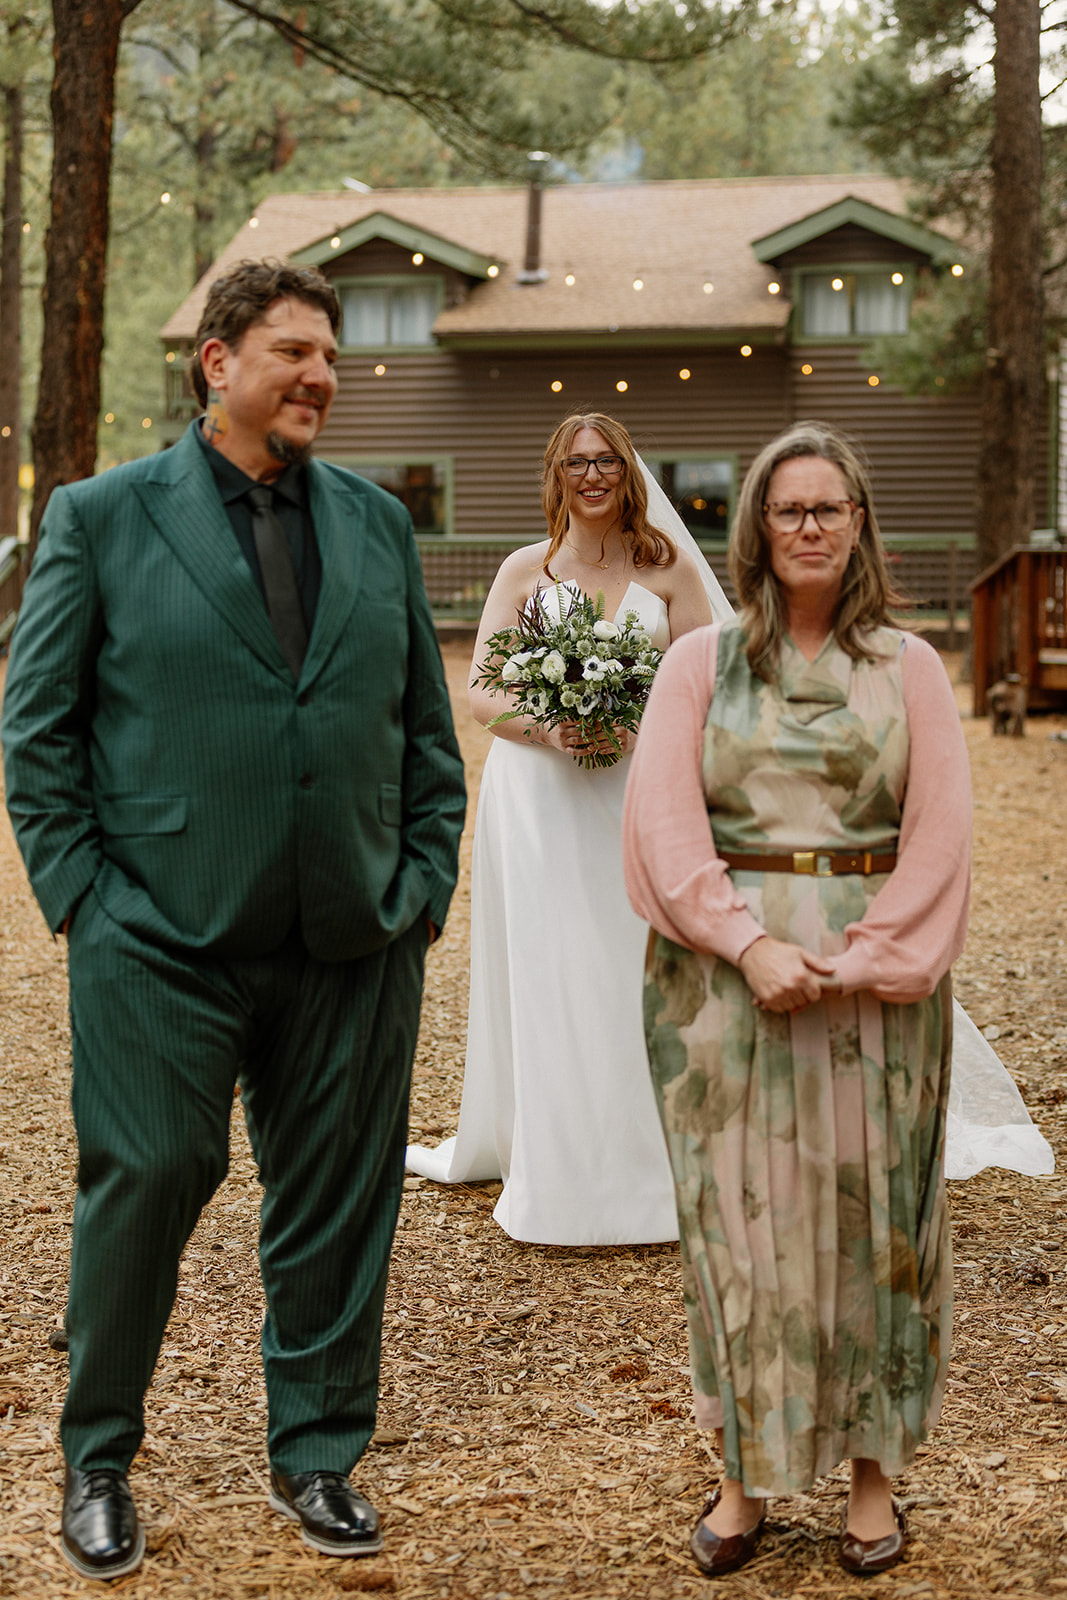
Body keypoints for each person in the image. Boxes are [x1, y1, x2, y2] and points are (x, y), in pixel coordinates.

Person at [1, 259, 466, 1581]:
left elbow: (424, 737)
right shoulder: (98, 518)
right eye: (294, 352)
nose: (322, 374)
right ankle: (97, 1455)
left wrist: (421, 881)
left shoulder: (377, 525)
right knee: (144, 1180)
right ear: (217, 363)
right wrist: (87, 900)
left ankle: (316, 1453)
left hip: (353, 938)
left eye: (330, 355)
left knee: (334, 1202)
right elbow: (36, 733)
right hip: (155, 935)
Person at [623, 420, 967, 1578]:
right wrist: (746, 942)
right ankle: (741, 1476)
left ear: (858, 523)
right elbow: (664, 825)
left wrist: (864, 954)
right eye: (788, 509)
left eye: (829, 508)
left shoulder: (907, 667)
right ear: (756, 531)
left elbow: (942, 834)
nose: (809, 525)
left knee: (874, 1228)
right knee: (741, 1227)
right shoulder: (699, 664)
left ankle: (871, 1482)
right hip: (722, 992)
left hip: (872, 992)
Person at [405, 413, 733, 1243]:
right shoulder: (526, 570)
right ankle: (556, 1159)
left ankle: (649, 1153)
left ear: (627, 471)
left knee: (635, 964)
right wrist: (552, 725)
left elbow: (706, 686)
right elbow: (481, 690)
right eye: (576, 463)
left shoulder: (669, 570)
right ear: (557, 474)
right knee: (553, 967)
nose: (592, 476)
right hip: (540, 797)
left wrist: (635, 724)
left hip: (636, 791)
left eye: (606, 462)